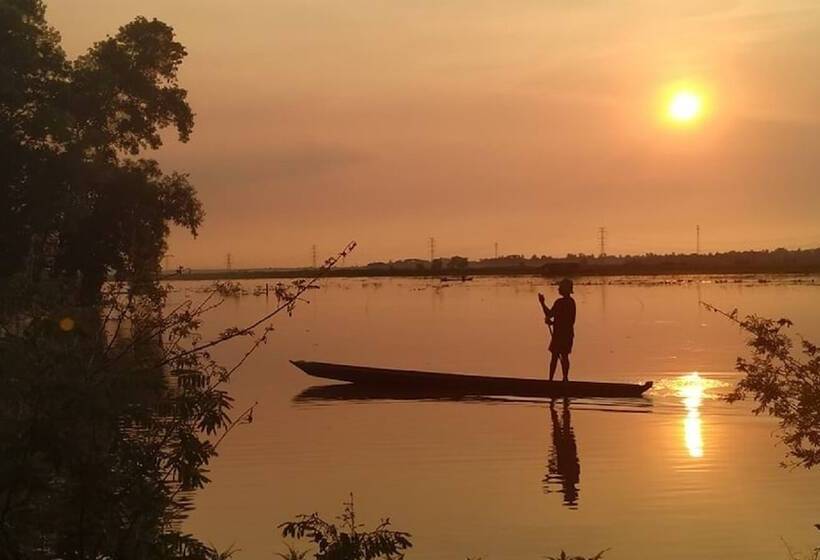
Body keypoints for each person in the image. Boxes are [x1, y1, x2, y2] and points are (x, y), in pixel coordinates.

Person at [537, 278, 576, 381]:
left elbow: (550, 315)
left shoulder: (561, 302)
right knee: (564, 356)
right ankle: (564, 379)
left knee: (556, 357)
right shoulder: (572, 303)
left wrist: (542, 303)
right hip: (567, 334)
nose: (558, 289)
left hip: (560, 335)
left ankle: (551, 380)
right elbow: (567, 321)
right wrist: (552, 322)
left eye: (560, 287)